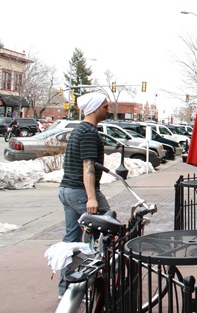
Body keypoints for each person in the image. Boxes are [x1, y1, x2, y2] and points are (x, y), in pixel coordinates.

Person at [57, 91, 110, 297]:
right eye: (105, 107)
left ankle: (66, 290)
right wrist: (91, 197)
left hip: (67, 191)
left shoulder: (79, 130)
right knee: (110, 230)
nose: (108, 110)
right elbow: (88, 167)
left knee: (71, 241)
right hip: (81, 192)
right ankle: (99, 285)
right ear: (95, 109)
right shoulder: (89, 132)